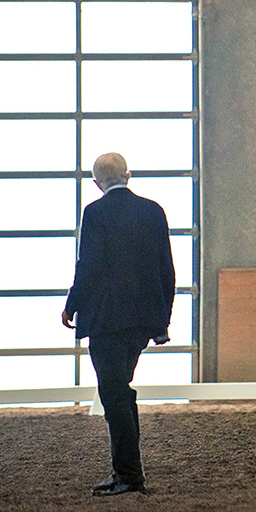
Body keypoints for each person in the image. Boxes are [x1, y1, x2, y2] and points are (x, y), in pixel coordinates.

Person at [61, 152, 175, 496]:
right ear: (128, 175)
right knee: (120, 391)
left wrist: (72, 304)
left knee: (113, 394)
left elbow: (89, 266)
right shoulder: (153, 211)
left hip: (107, 320)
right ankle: (128, 471)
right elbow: (166, 270)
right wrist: (162, 321)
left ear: (97, 183)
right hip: (142, 321)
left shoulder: (95, 213)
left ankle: (128, 475)